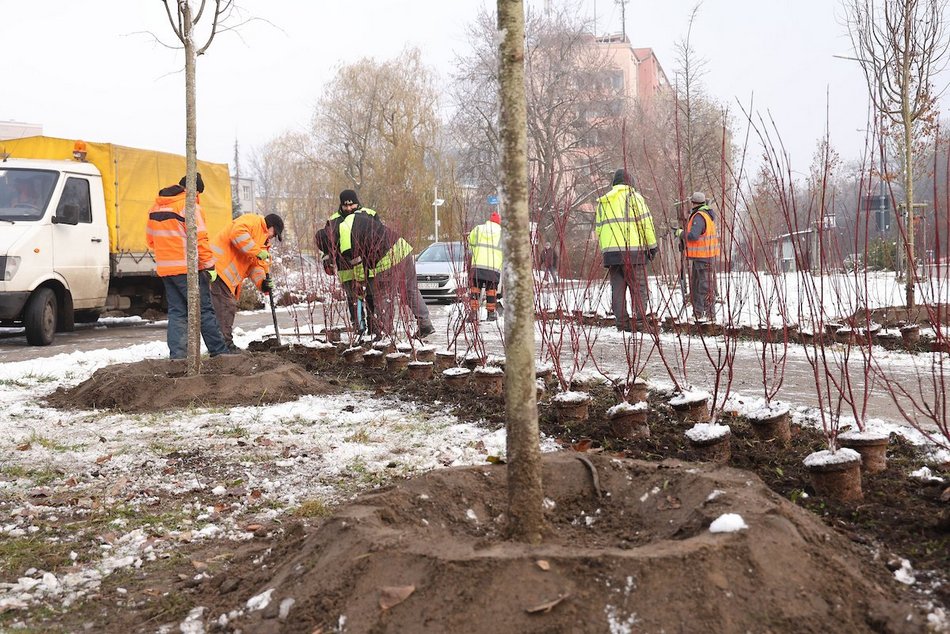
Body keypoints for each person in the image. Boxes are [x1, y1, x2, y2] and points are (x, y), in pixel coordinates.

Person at [145, 173, 230, 359]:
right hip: (188, 269)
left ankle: (179, 357)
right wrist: (209, 266)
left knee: (177, 312)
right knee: (204, 310)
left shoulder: (155, 207)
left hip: (166, 270)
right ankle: (219, 352)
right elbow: (201, 240)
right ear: (195, 190)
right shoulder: (189, 206)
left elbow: (150, 241)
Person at [316, 212, 434, 339]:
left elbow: (358, 265)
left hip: (387, 258)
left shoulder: (345, 241)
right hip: (402, 248)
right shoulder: (348, 221)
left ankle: (384, 335)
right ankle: (425, 324)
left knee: (383, 296)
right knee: (411, 289)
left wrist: (359, 283)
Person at [209, 212, 284, 351]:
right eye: (274, 233)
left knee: (225, 307)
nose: (273, 237)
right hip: (218, 267)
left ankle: (222, 346)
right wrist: (256, 251)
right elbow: (236, 233)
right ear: (270, 226)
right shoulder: (254, 221)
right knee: (226, 307)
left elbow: (255, 268)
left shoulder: (262, 243)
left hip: (227, 276)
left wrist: (262, 283)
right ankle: (225, 346)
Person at [595, 168, 658, 331]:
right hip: (634, 252)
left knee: (618, 289)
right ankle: (639, 322)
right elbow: (646, 224)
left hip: (612, 254)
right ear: (630, 182)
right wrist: (652, 247)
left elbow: (599, 230)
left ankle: (621, 324)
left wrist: (607, 252)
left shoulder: (603, 202)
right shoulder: (635, 198)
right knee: (639, 288)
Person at [321, 190, 378, 334]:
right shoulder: (333, 220)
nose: (348, 209)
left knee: (371, 297)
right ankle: (359, 327)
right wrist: (327, 260)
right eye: (345, 206)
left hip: (368, 266)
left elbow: (379, 237)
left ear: (357, 203)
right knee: (353, 299)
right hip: (345, 267)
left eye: (352, 205)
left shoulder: (369, 214)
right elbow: (327, 245)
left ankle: (374, 327)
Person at [678, 191, 720, 321]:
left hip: (703, 258)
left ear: (693, 203)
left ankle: (707, 315)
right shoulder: (707, 215)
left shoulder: (699, 217)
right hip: (704, 257)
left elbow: (693, 236)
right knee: (699, 286)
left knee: (703, 286)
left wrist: (680, 233)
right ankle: (700, 313)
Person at [467, 211, 503, 322]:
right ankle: (491, 314)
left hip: (477, 265)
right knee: (491, 290)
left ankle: (473, 314)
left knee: (475, 290)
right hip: (493, 267)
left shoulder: (478, 229)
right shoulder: (502, 233)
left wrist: (476, 254)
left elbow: (470, 244)